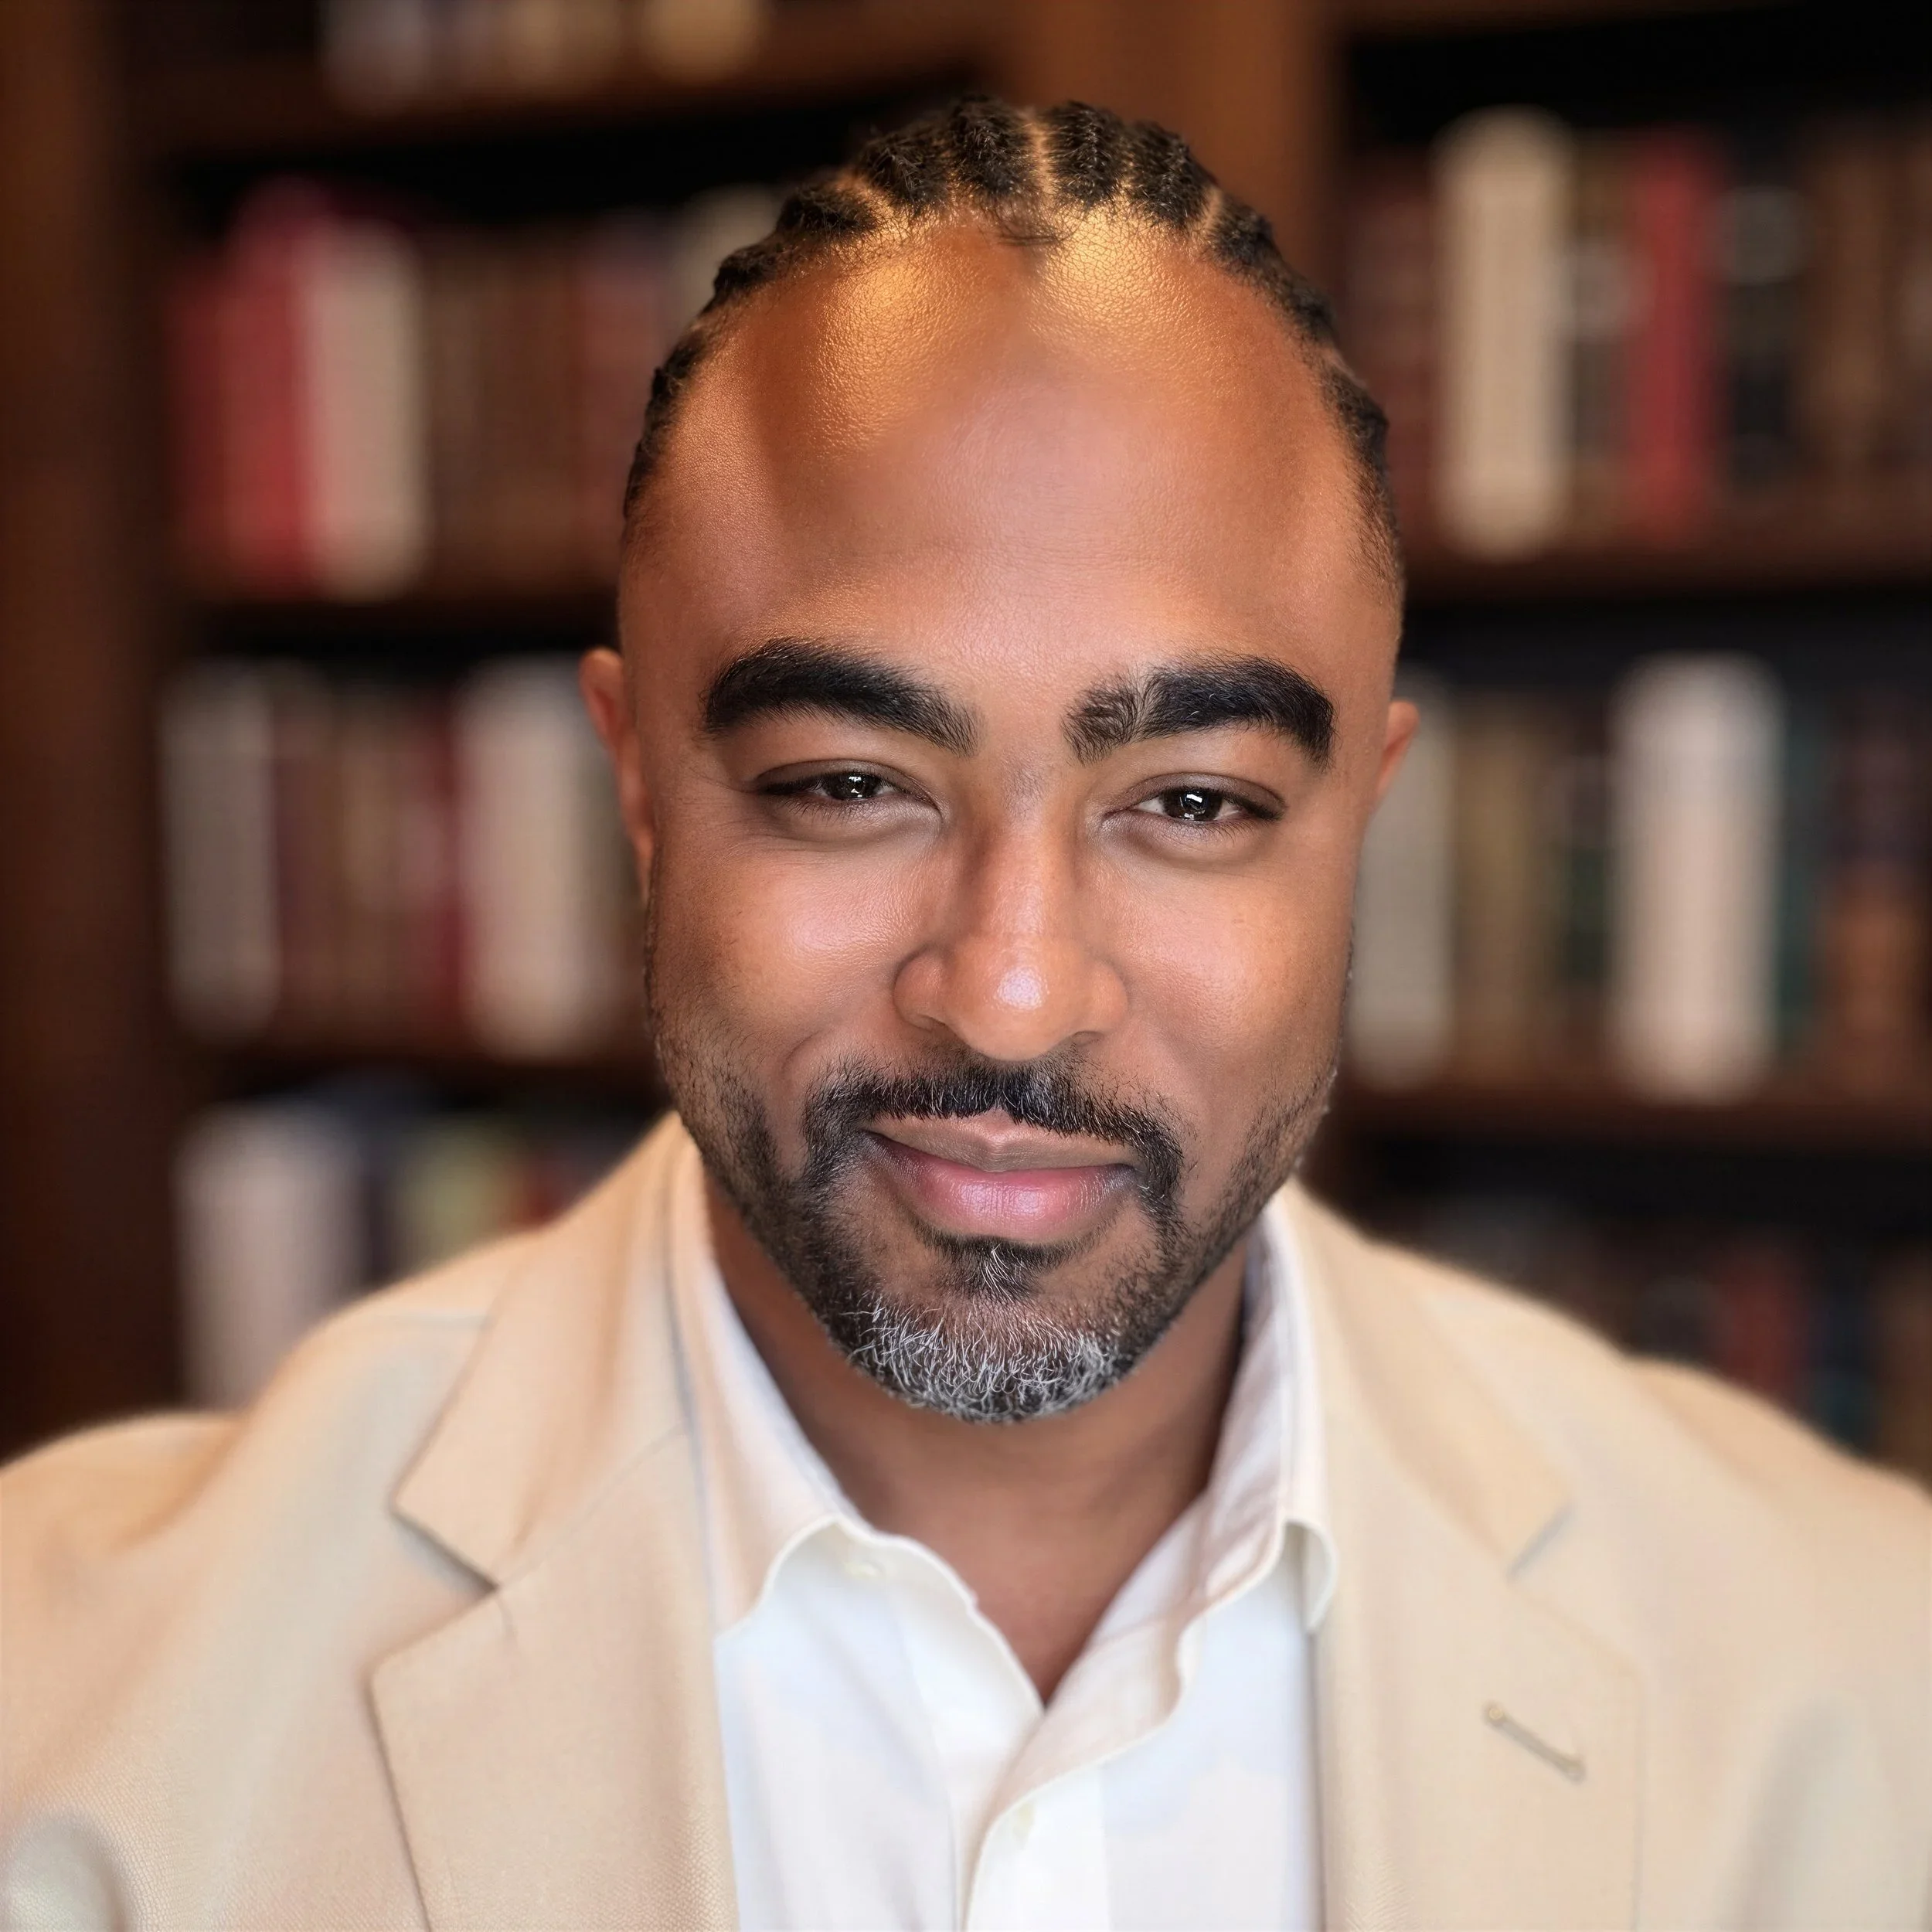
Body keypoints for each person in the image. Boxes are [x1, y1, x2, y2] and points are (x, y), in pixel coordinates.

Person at [2, 97, 1926, 1932]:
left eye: (1189, 802)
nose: (1007, 988)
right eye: (848, 781)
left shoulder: (1853, 1668)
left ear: (1360, 824)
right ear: (639, 787)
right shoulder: (63, 1710)